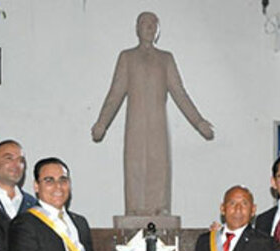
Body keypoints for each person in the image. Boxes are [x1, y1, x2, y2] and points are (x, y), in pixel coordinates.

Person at [91, 11, 214, 216]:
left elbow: (179, 93)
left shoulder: (165, 59)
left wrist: (199, 122)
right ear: (137, 29)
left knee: (159, 164)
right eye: (144, 23)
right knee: (134, 164)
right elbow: (116, 93)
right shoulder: (127, 57)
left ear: (158, 31)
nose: (148, 27)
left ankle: (160, 207)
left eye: (152, 24)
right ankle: (133, 208)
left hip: (158, 124)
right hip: (135, 123)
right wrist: (102, 123)